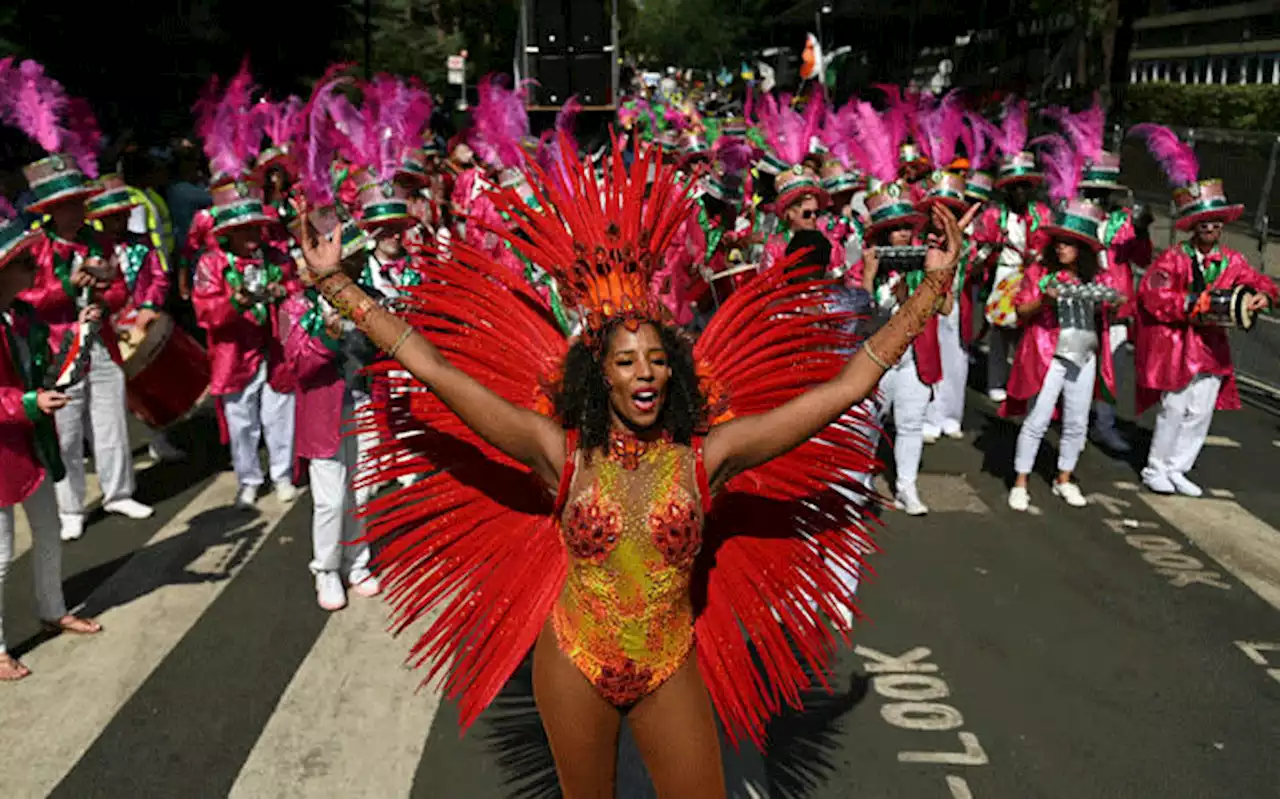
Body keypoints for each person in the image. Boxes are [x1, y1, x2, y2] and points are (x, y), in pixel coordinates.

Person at [296, 141, 966, 797]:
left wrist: (931, 289)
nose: (644, 371)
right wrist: (337, 284)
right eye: (626, 361)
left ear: (673, 370)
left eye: (655, 358)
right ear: (602, 378)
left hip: (667, 665)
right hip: (574, 664)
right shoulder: (558, 454)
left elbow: (844, 389)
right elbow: (435, 369)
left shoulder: (711, 457)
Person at [1130, 125, 1277, 496]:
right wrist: (1195, 304)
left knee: (1201, 412)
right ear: (1194, 227)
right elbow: (1153, 297)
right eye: (1204, 223)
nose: (1211, 227)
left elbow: (1263, 283)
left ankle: (1180, 467)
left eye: (1216, 222)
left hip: (1212, 348)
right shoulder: (1173, 259)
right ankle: (1155, 467)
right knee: (1174, 408)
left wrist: (1264, 297)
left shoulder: (1232, 260)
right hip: (1178, 345)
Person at [19, 155, 155, 540]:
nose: (78, 211)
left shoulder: (99, 241)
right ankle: (71, 507)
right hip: (59, 347)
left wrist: (103, 296)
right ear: (53, 209)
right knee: (65, 430)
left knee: (111, 420)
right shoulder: (38, 247)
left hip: (102, 343)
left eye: (80, 202)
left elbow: (120, 288)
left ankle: (118, 493)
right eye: (70, 205)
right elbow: (27, 297)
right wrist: (66, 287)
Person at [0, 217, 102, 681]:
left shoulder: (21, 315)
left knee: (48, 531)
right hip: (3, 451)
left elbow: (46, 367)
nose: (30, 266)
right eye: (21, 262)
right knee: (0, 556)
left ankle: (52, 610)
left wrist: (80, 332)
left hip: (30, 443)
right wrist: (28, 402)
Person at [191, 179, 298, 508]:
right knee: (242, 423)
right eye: (246, 230)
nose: (254, 236)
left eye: (257, 228)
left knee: (280, 415)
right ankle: (249, 479)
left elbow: (298, 292)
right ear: (229, 234)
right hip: (234, 354)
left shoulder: (277, 258)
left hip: (274, 350)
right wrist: (235, 304)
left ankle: (282, 475)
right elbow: (205, 312)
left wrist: (286, 295)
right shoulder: (212, 264)